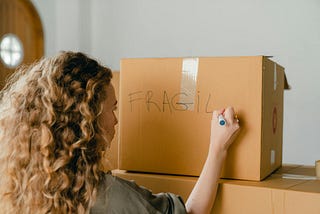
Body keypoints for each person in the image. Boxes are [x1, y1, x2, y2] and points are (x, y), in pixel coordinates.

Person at [0, 51, 240, 214]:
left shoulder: (20, 186)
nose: (116, 120)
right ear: (87, 118)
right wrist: (218, 148)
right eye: (112, 108)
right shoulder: (104, 196)